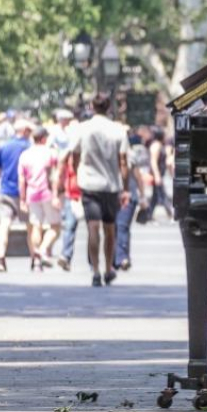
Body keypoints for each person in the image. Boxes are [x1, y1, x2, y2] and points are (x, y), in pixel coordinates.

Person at [70, 93, 130, 287]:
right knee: (110, 229)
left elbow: (75, 155)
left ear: (92, 107)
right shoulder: (118, 130)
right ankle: (108, 269)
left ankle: (95, 270)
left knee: (93, 228)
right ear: (109, 107)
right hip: (111, 185)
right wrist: (126, 187)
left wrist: (78, 171)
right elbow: (123, 162)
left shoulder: (83, 128)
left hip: (89, 184)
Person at [0, 119, 34, 271]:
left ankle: (1, 259)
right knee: (31, 226)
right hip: (26, 194)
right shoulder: (29, 148)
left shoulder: (4, 147)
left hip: (6, 191)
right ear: (24, 131)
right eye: (29, 131)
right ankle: (35, 259)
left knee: (4, 225)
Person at [18, 127, 61, 270]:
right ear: (43, 139)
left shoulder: (25, 155)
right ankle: (42, 250)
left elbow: (22, 179)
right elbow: (55, 176)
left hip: (32, 193)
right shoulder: (51, 153)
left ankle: (36, 260)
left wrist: (22, 199)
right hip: (47, 192)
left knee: (36, 226)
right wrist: (56, 195)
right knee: (55, 226)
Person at [114, 130, 147, 271]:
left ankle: (122, 258)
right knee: (116, 227)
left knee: (122, 226)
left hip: (129, 195)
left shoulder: (130, 155)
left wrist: (142, 197)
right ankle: (117, 257)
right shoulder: (109, 155)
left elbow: (138, 177)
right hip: (113, 194)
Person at [145, 127, 172, 222]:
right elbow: (153, 162)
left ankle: (148, 214)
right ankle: (170, 213)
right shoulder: (156, 146)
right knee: (162, 194)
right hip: (157, 174)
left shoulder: (159, 144)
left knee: (156, 196)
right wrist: (157, 176)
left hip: (159, 174)